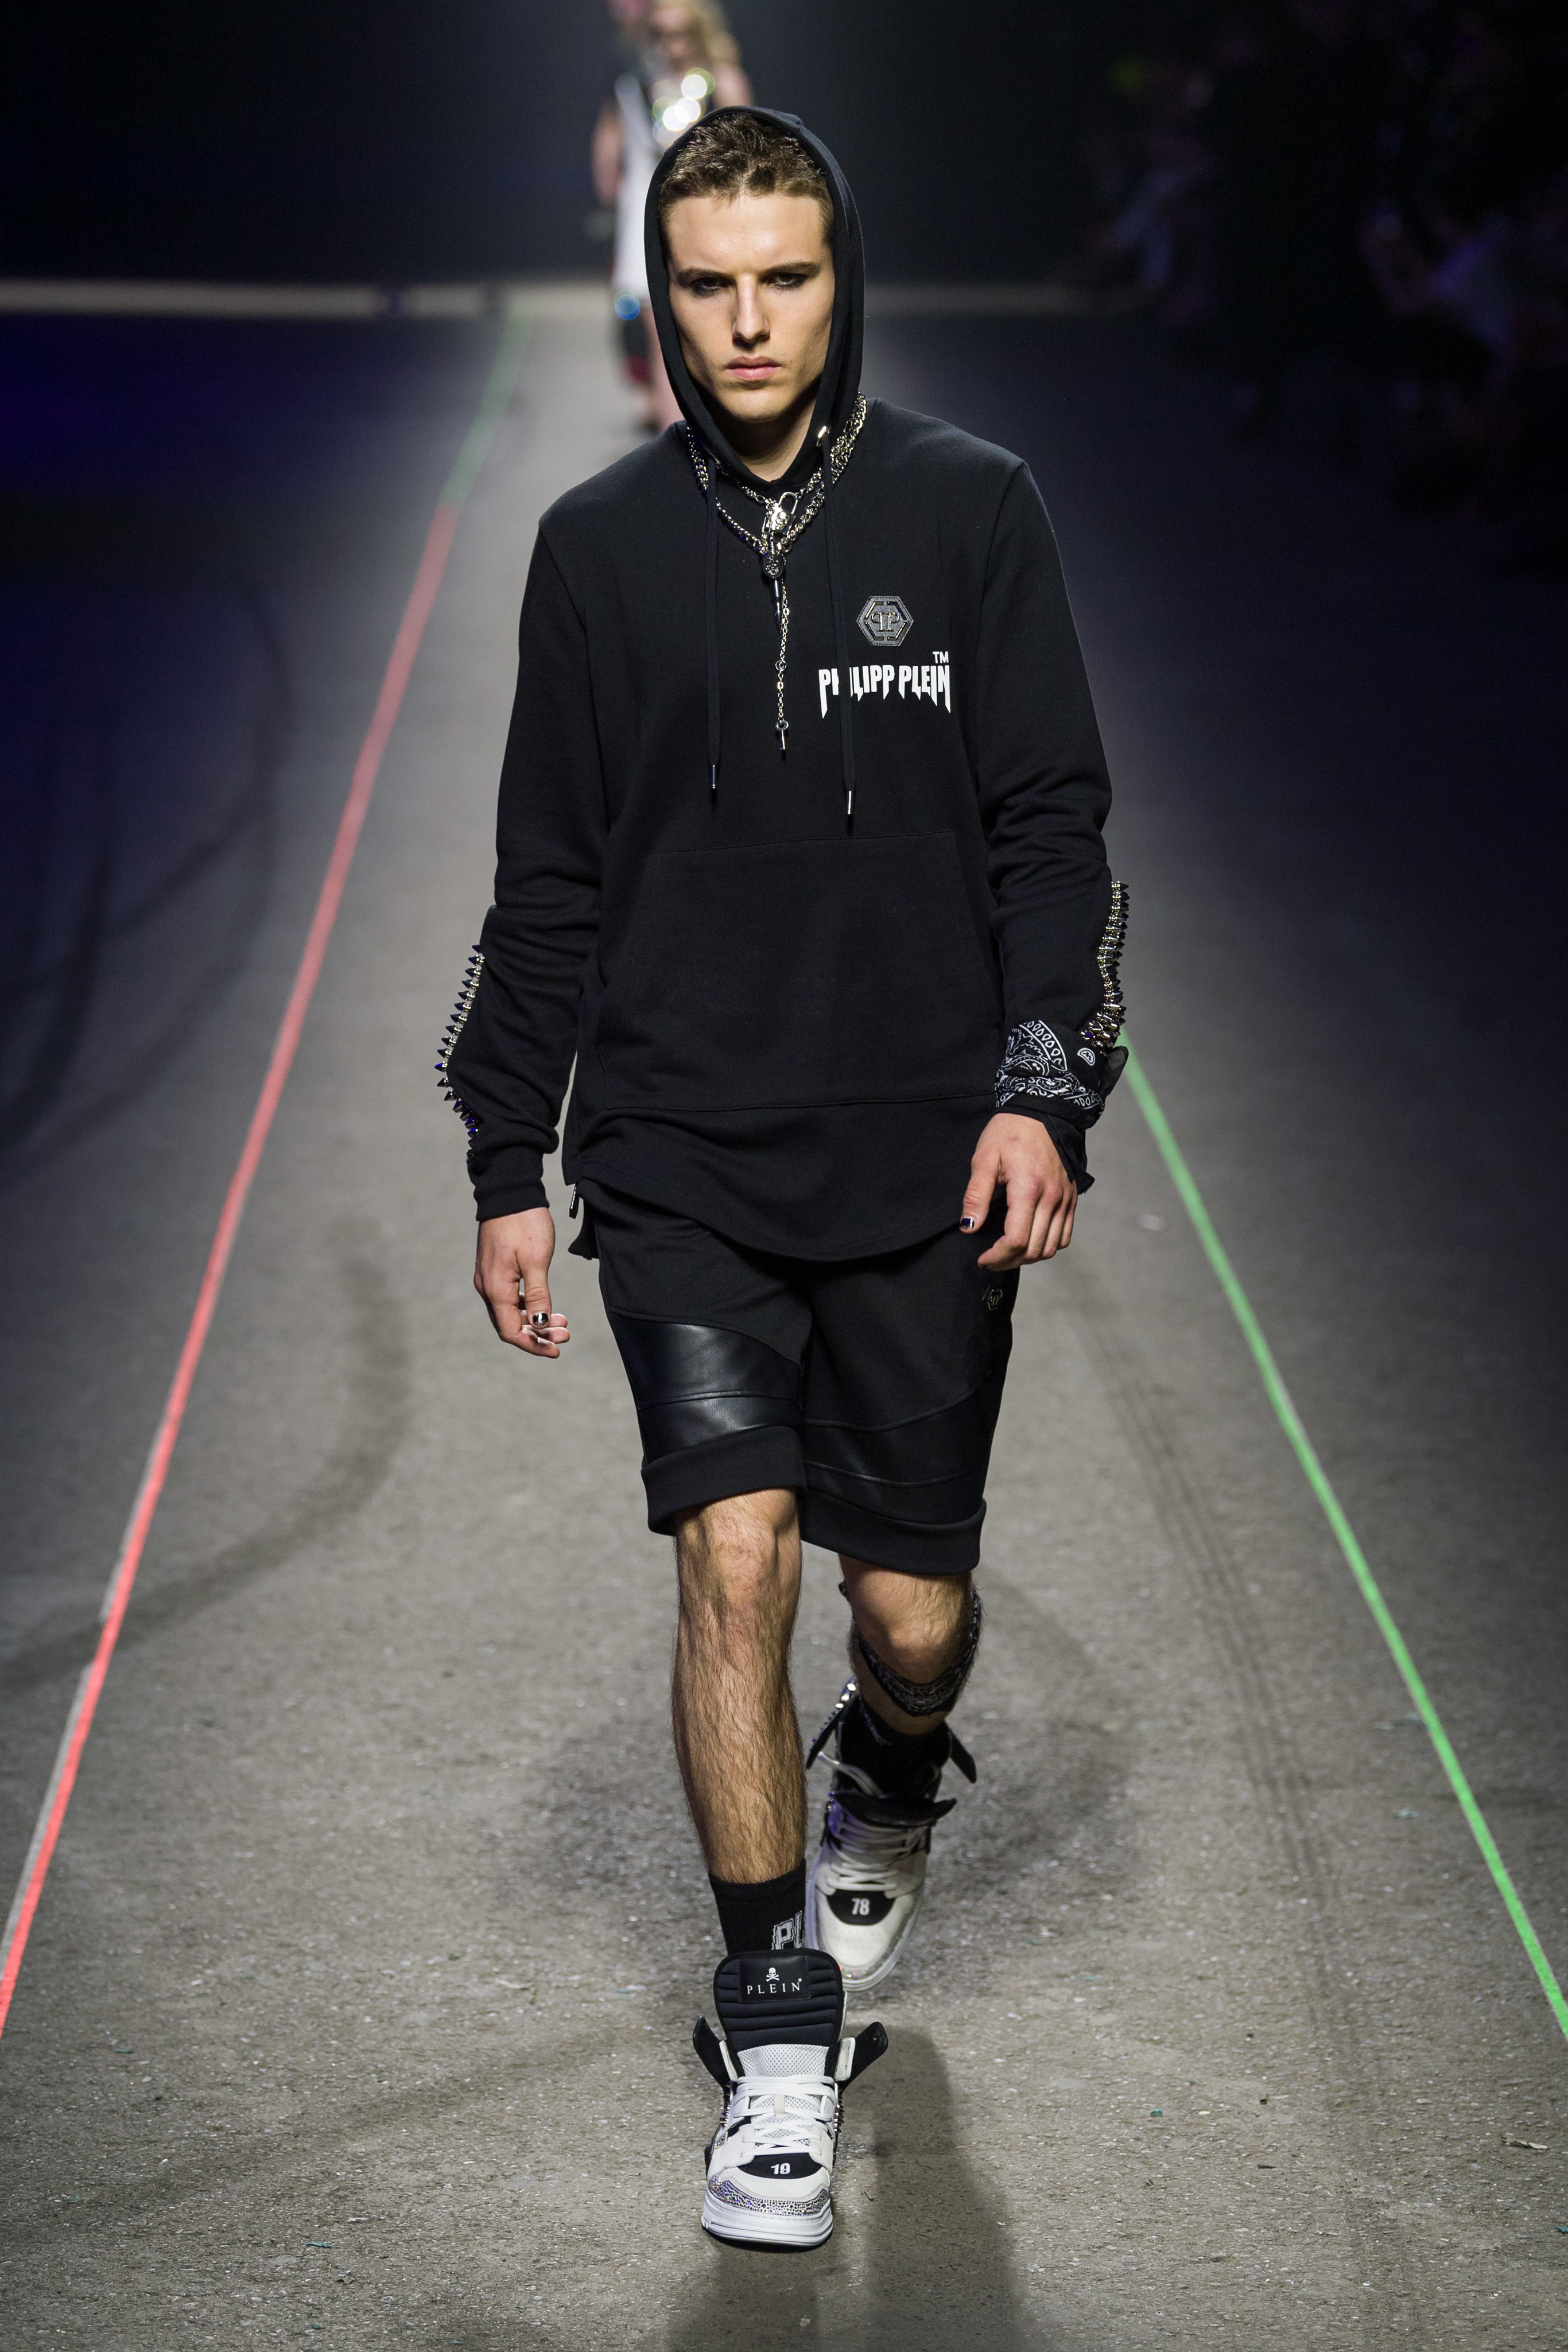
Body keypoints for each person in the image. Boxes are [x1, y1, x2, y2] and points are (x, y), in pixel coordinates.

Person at [438, 107, 1125, 2248]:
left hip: (925, 1151)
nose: (748, 322)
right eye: (709, 283)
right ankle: (777, 2041)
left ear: (843, 282)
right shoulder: (591, 547)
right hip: (680, 1148)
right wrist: (506, 1151)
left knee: (904, 1613)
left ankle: (893, 1766)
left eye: (786, 279)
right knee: (728, 1563)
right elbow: (546, 876)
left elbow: (1057, 833)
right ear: (660, 295)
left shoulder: (973, 507)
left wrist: (1042, 1092)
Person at [592, 0, 750, 429]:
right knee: (659, 329)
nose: (670, 44)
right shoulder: (640, 83)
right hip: (649, 213)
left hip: (713, 220)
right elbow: (613, 130)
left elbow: (749, 155)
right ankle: (674, 439)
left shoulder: (723, 82)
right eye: (660, 34)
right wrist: (608, 181)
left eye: (679, 33)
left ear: (699, 33)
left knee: (715, 328)